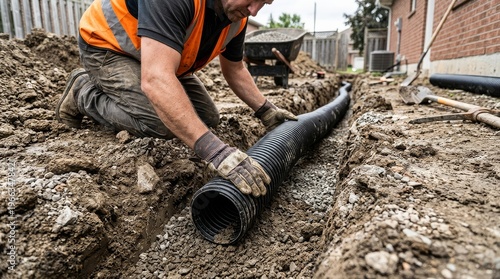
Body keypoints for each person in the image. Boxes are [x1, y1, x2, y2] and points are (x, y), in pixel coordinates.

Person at [55, 0, 297, 198]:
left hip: (160, 59)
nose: (254, 10)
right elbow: (156, 79)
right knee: (160, 123)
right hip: (110, 46)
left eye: (263, 4)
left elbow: (234, 69)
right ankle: (83, 93)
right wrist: (216, 153)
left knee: (208, 119)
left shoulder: (237, 19)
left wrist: (266, 110)